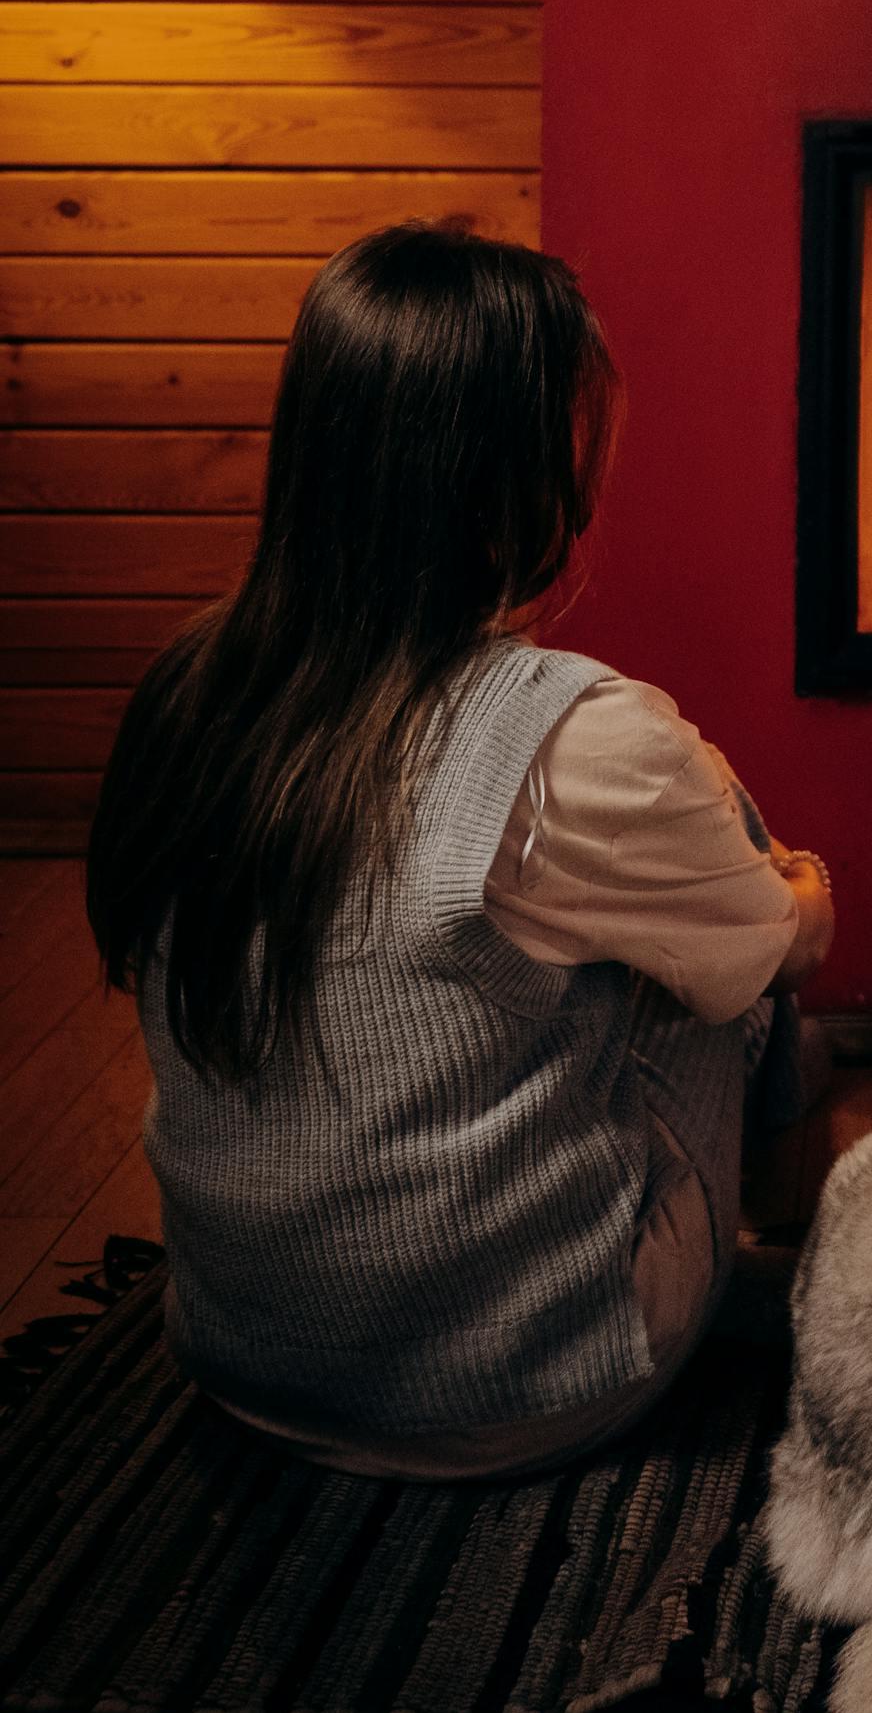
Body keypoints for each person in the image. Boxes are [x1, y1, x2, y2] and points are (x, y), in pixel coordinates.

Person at [87, 223, 832, 1481]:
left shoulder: (185, 688)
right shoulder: (574, 736)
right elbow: (780, 948)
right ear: (516, 476)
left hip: (239, 1355)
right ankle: (778, 1266)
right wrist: (799, 887)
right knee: (741, 981)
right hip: (512, 1391)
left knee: (618, 927)